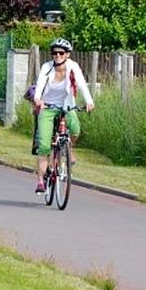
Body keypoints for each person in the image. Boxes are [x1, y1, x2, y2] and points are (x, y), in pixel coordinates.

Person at [32, 38, 95, 194]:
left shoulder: (73, 67)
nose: (57, 55)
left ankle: (67, 150)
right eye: (55, 53)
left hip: (66, 106)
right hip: (47, 107)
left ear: (67, 54)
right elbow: (40, 84)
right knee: (45, 145)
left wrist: (89, 101)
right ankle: (40, 181)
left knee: (75, 129)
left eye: (61, 53)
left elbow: (81, 83)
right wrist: (38, 99)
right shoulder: (47, 67)